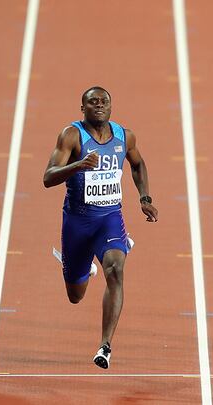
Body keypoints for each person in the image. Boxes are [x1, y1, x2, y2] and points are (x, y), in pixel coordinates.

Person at [43, 86, 158, 369]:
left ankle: (105, 345)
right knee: (75, 296)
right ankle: (82, 267)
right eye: (92, 102)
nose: (99, 105)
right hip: (77, 222)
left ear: (111, 106)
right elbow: (48, 177)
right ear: (82, 108)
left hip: (110, 219)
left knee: (116, 270)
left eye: (104, 101)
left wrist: (144, 197)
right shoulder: (71, 135)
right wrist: (78, 165)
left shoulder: (124, 136)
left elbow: (138, 164)